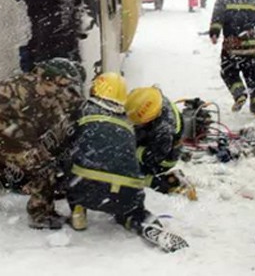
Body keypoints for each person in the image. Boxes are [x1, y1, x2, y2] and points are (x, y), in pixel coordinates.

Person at [67, 73, 188, 252]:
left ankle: (78, 210)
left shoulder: (82, 111)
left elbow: (153, 162)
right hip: (127, 188)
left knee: (71, 169)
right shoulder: (135, 110)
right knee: (129, 208)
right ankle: (143, 222)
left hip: (87, 188)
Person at [0, 57, 86, 229]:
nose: (67, 89)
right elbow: (49, 120)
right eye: (66, 84)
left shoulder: (33, 82)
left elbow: (64, 105)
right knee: (42, 166)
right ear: (55, 79)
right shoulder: (37, 92)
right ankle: (41, 215)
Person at [124, 86, 197, 200]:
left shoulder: (164, 131)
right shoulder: (155, 98)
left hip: (162, 159)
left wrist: (129, 150)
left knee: (125, 173)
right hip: (159, 143)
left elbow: (151, 158)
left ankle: (170, 182)